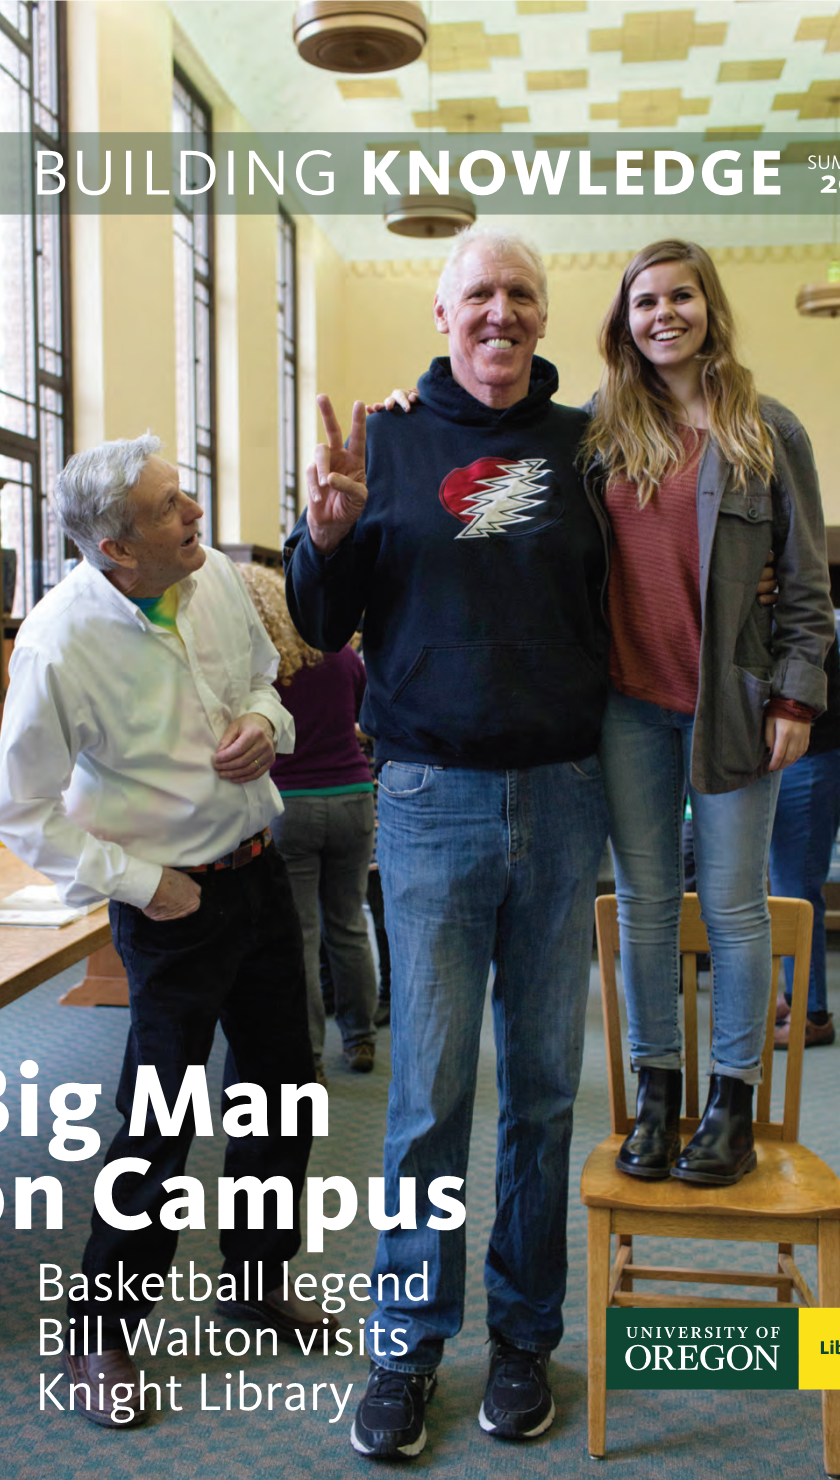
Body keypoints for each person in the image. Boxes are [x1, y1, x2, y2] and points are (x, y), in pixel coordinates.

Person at [285, 225, 611, 1459]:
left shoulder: (586, 448)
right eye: (479, 292)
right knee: (427, 1096)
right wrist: (324, 530)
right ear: (441, 310)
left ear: (543, 315)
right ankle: (406, 1347)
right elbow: (322, 623)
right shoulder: (386, 444)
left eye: (523, 293)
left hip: (564, 795)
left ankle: (523, 1337)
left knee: (538, 1090)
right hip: (428, 805)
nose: (501, 311)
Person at [0, 436, 323, 1429]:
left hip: (258, 877)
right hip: (169, 904)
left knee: (282, 1093)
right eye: (170, 506)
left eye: (185, 495)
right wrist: (142, 883)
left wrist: (271, 724)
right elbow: (23, 812)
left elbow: (268, 680)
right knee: (157, 1126)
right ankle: (103, 1330)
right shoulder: (57, 642)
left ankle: (255, 1279)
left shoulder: (210, 574)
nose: (195, 514)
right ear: (112, 549)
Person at [584, 240, 834, 1187]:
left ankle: (731, 1103)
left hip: (728, 705)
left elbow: (804, 584)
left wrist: (797, 696)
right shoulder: (603, 436)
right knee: (644, 908)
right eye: (644, 301)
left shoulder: (768, 432)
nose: (662, 315)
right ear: (625, 321)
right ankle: (658, 1093)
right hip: (627, 705)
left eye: (679, 296)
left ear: (708, 307)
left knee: (732, 908)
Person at [238, 561, 378, 1083]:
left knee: (301, 935)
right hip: (352, 799)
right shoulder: (342, 656)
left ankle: (309, 1056)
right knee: (348, 924)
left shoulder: (259, 670)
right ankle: (361, 1038)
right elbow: (366, 717)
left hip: (290, 806)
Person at [769, 640, 840, 1049]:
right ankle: (795, 997)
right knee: (788, 887)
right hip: (802, 760)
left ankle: (814, 1016)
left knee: (798, 894)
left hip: (814, 760)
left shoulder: (800, 594)